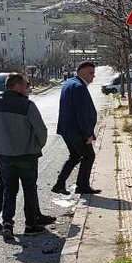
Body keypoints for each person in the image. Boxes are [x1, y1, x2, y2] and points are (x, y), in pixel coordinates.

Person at [0, 73, 56, 237]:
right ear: (17, 86)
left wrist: (1, 145)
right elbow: (41, 131)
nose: (28, 88)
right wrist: (36, 146)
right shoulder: (27, 105)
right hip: (27, 155)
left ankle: (7, 223)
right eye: (26, 85)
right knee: (29, 188)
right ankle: (31, 224)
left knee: (9, 188)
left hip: (3, 156)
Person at [52, 61, 100, 196]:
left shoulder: (69, 83)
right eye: (91, 73)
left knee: (75, 156)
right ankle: (82, 186)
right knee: (89, 156)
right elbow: (82, 114)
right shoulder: (79, 87)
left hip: (67, 130)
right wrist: (88, 133)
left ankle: (59, 184)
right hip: (77, 131)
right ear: (81, 72)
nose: (93, 76)